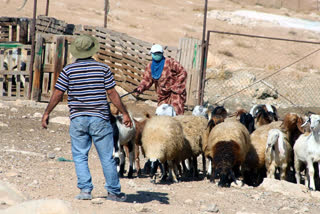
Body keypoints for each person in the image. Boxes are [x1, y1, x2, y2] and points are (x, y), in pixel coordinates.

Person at [41, 35, 132, 202]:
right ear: (92, 51)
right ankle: (113, 192)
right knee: (107, 157)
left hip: (78, 119)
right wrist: (124, 113)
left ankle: (85, 191)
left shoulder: (68, 70)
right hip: (100, 119)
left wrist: (47, 112)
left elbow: (58, 93)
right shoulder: (103, 69)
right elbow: (112, 93)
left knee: (80, 156)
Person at [134, 44, 187, 115]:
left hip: (175, 93)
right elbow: (146, 80)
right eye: (155, 54)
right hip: (163, 95)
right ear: (151, 54)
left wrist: (175, 86)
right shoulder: (150, 67)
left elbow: (183, 72)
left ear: (162, 54)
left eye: (159, 53)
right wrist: (140, 88)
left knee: (176, 113)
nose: (157, 55)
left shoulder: (170, 62)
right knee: (161, 113)